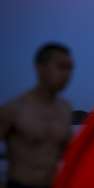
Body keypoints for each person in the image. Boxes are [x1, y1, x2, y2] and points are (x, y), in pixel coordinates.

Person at [0, 43, 74, 188]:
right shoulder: (15, 109)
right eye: (61, 67)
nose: (67, 74)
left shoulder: (65, 110)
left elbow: (73, 154)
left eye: (70, 68)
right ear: (40, 68)